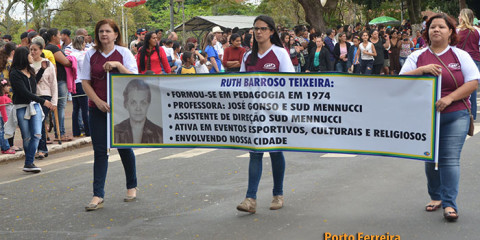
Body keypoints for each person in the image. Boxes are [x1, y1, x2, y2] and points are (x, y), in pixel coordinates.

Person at [400, 13, 479, 222]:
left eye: (441, 27)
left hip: (456, 114)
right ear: (427, 32)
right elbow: (399, 80)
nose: (436, 30)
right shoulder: (417, 56)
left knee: (449, 159)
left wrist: (450, 98)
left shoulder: (460, 56)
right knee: (430, 157)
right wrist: (421, 70)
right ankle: (435, 196)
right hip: (425, 117)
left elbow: (473, 82)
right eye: (432, 27)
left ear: (450, 32)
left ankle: (450, 204)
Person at [236, 15, 295, 214]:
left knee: (276, 152)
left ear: (271, 31)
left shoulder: (280, 53)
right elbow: (242, 85)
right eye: (255, 28)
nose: (258, 32)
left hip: (276, 114)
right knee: (255, 153)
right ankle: (250, 199)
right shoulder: (247, 57)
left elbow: (291, 82)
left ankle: (278, 194)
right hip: (254, 114)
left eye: (262, 28)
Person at [79, 19, 139, 211]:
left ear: (115, 34)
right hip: (97, 108)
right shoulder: (90, 55)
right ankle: (98, 195)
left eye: (108, 31)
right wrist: (97, 101)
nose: (104, 34)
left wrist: (117, 66)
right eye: (101, 31)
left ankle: (131, 186)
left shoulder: (124, 53)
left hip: (121, 110)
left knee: (123, 148)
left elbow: (134, 78)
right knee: (100, 151)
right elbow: (85, 82)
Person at [9, 47, 54, 172]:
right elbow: (24, 92)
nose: (32, 55)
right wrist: (43, 101)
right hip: (22, 107)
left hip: (34, 106)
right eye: (29, 53)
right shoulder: (14, 74)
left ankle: (29, 162)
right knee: (27, 136)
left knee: (37, 134)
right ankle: (29, 163)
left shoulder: (31, 70)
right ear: (23, 56)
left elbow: (33, 84)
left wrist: (42, 70)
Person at [30, 37, 58, 160]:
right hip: (33, 96)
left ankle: (42, 149)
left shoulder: (48, 63)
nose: (33, 52)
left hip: (45, 96)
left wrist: (54, 102)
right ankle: (39, 148)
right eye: (31, 49)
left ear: (41, 50)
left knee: (40, 120)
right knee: (34, 123)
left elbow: (53, 83)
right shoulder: (28, 64)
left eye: (35, 49)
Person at [44, 28, 73, 142]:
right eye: (58, 35)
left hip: (56, 80)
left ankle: (59, 132)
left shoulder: (48, 48)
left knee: (57, 107)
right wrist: (73, 60)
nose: (60, 37)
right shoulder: (53, 48)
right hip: (59, 80)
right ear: (53, 37)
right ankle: (60, 132)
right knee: (60, 106)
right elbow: (65, 61)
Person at [114, 79, 162, 143]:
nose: (138, 108)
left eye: (143, 103)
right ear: (126, 104)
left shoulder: (159, 134)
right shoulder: (115, 132)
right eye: (133, 102)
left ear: (148, 104)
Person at [457, 8, 480, 121]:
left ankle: (460, 111)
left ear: (463, 17)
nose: (458, 18)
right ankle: (472, 115)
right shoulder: (477, 31)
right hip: (475, 60)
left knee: (458, 87)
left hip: (460, 61)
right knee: (472, 89)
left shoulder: (456, 31)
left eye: (459, 16)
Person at [69, 36, 90, 138]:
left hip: (73, 83)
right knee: (85, 108)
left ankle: (76, 131)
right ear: (82, 44)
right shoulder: (82, 55)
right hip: (81, 82)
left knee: (76, 108)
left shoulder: (71, 55)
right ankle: (88, 130)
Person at [0, 79, 15, 154]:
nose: (9, 87)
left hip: (7, 118)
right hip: (4, 118)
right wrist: (5, 120)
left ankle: (4, 147)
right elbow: (3, 110)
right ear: (3, 87)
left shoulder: (6, 96)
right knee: (3, 132)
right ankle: (5, 148)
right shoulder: (2, 98)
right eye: (7, 86)